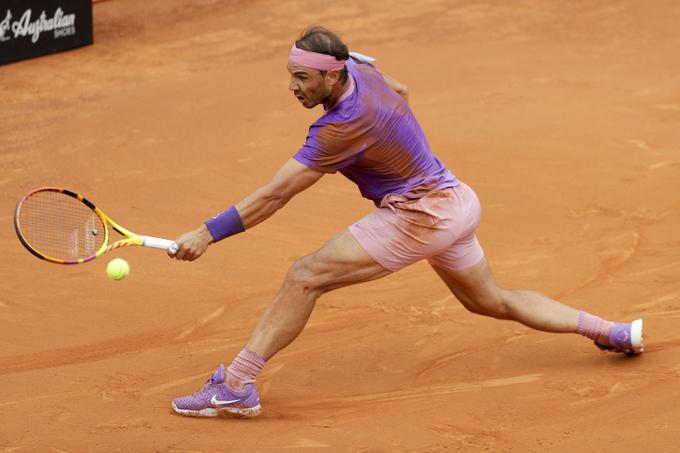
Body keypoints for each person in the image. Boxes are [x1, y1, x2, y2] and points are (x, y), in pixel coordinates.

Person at [168, 26, 643, 419]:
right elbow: (402, 91)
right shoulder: (358, 67)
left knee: (304, 276)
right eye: (291, 76)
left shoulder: (339, 129)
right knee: (492, 301)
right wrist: (393, 144)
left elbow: (275, 194)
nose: (294, 87)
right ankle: (611, 331)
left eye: (303, 79)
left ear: (332, 78)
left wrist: (207, 233)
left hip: (418, 217)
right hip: (456, 200)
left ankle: (237, 384)